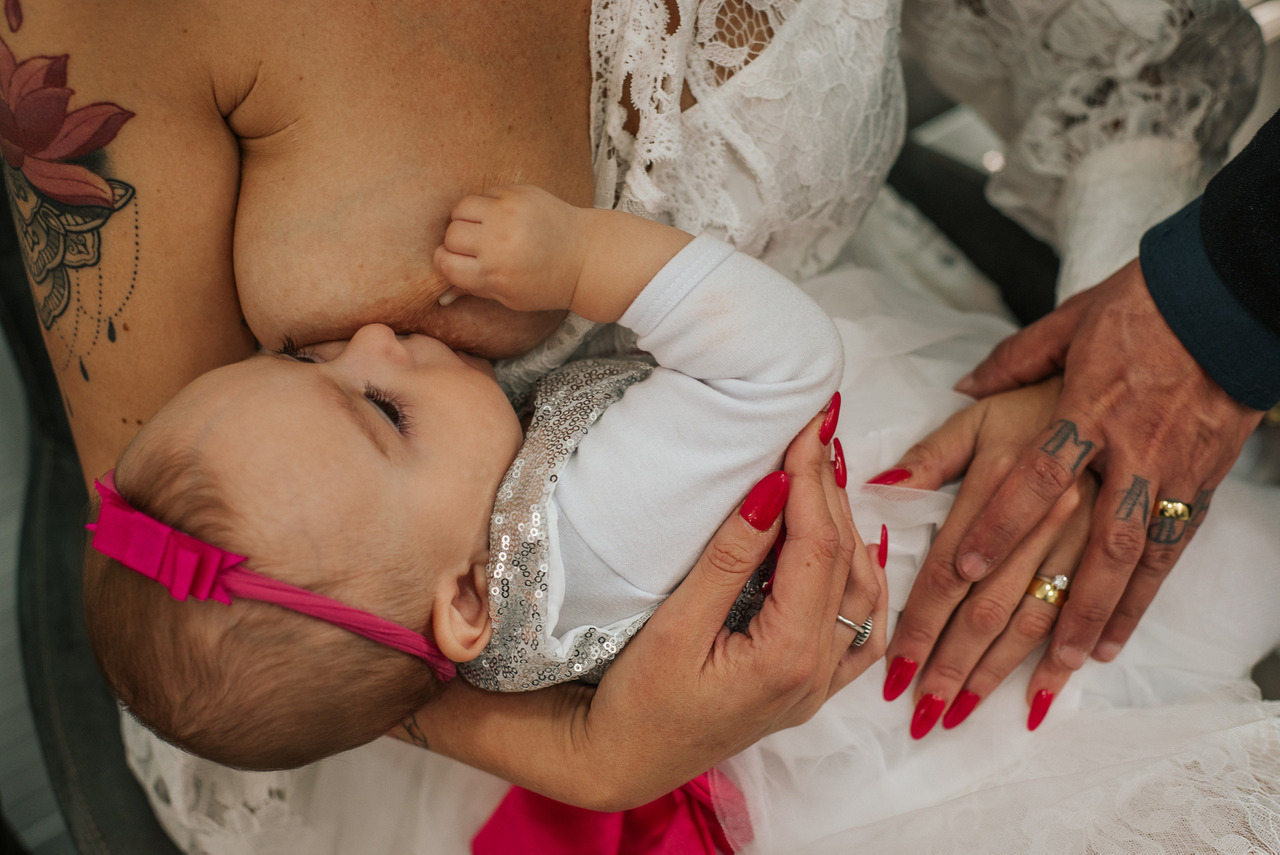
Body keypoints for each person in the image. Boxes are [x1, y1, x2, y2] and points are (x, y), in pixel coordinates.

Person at [3, 0, 1276, 850]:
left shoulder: (465, 538)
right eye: (361, 388)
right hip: (346, 703)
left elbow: (1122, 56)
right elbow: (181, 519)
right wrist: (586, 756)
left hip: (868, 470)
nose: (378, 342)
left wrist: (1114, 373)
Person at [84, 185, 887, 771]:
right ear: (466, 599)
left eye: (304, 357)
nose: (373, 338)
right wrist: (582, 258)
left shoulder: (452, 601)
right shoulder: (593, 531)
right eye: (387, 410)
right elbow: (786, 364)